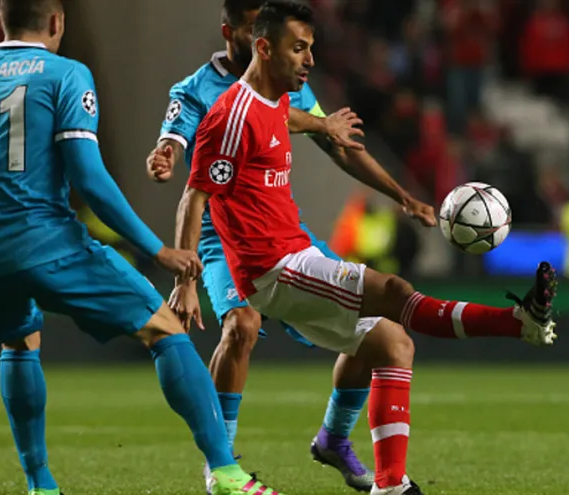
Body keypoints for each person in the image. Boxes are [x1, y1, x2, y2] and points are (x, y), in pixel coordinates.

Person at [173, 3, 560, 495]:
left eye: (312, 47)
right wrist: (185, 281)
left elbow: (283, 117)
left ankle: (390, 484)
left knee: (392, 342)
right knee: (394, 290)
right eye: (298, 48)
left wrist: (323, 127)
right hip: (273, 268)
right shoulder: (229, 115)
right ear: (263, 48)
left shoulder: (271, 102)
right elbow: (195, 193)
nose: (310, 59)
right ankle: (517, 323)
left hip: (295, 255)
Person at [0, 1, 286, 494]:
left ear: (3, 21)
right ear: (57, 22)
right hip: (47, 242)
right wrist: (156, 250)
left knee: (19, 343)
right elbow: (89, 175)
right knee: (165, 329)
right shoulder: (66, 74)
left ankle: (41, 485)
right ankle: (227, 472)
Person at [147, 1, 427, 491]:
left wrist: (401, 194)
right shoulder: (194, 91)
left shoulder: (290, 80)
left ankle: (334, 439)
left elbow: (336, 144)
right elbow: (174, 139)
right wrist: (166, 153)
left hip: (286, 235)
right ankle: (221, 463)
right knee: (241, 323)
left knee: (379, 332)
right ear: (232, 31)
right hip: (223, 241)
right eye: (254, 23)